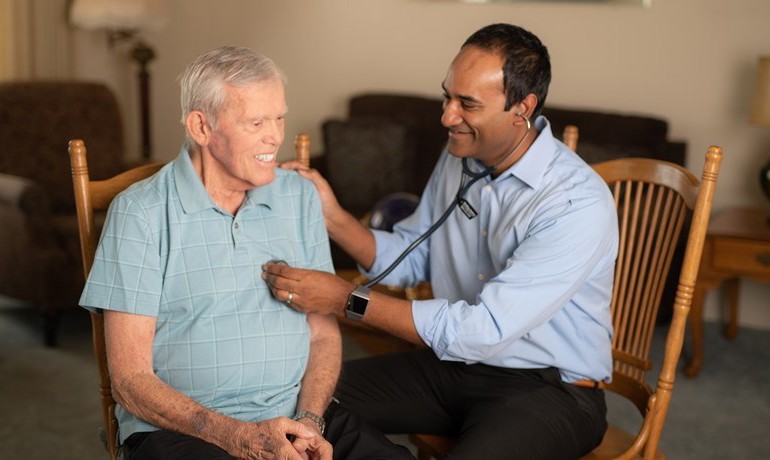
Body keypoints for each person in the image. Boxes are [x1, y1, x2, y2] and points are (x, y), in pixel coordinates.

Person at [263, 23, 619, 459]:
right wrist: (333, 217)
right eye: (447, 96)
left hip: (554, 388)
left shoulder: (574, 202)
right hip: (455, 366)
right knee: (291, 402)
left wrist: (345, 300)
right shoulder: (460, 157)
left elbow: (481, 330)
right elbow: (411, 257)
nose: (447, 117)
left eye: (467, 104)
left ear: (522, 108)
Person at [79, 46, 413, 460]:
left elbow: (323, 335)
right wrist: (238, 436)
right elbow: (130, 380)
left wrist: (309, 421)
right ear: (201, 127)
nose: (275, 136)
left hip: (297, 416)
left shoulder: (299, 198)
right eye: (256, 122)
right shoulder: (141, 212)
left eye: (279, 117)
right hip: (183, 430)